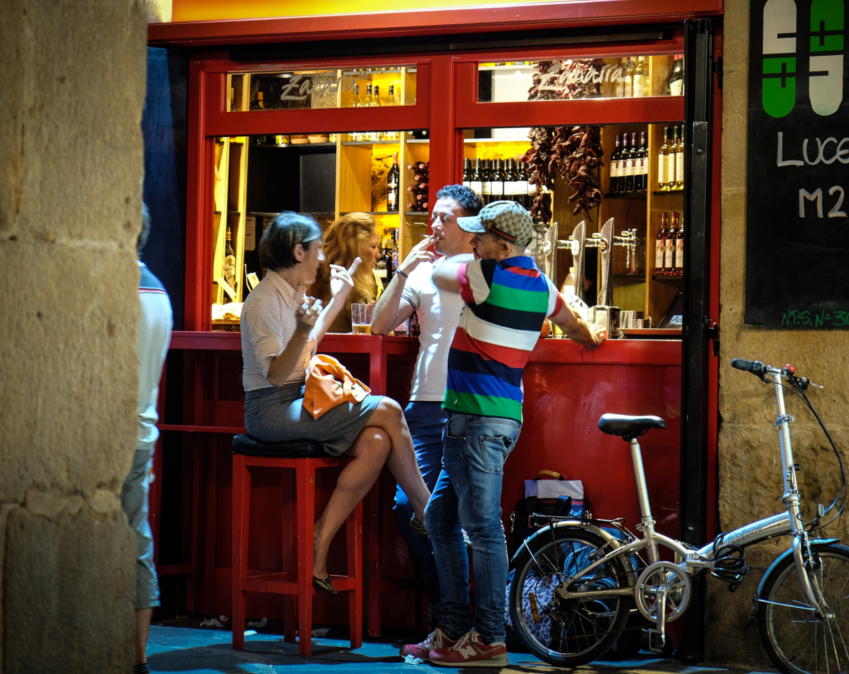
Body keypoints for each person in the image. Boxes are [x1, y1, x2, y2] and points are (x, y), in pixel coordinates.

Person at [424, 200, 603, 667]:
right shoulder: (544, 289)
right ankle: (454, 630)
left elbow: (440, 274)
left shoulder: (485, 275)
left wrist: (451, 255)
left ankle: (488, 639)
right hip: (496, 419)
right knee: (439, 519)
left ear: (502, 246)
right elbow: (577, 328)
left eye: (479, 237)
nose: (473, 242)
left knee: (482, 528)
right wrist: (594, 339)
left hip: (475, 421)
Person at [241, 212, 430, 593]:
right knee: (389, 410)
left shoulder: (292, 293)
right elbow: (276, 375)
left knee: (377, 443)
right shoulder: (263, 301)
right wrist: (305, 329)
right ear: (297, 251)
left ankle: (319, 540)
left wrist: (337, 299)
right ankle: (429, 512)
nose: (322, 258)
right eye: (315, 251)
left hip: (295, 400)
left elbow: (305, 347)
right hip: (270, 410)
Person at [370, 184, 484, 648]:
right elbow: (379, 324)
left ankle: (465, 621)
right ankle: (446, 609)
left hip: (473, 406)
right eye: (433, 217)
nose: (435, 225)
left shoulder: (487, 271)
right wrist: (401, 271)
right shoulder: (423, 273)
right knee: (407, 507)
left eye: (447, 218)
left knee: (468, 515)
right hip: (423, 406)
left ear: (472, 225)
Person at [131, 202, 172, 674]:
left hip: (114, 434)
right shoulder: (158, 290)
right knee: (137, 541)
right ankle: (137, 655)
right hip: (144, 429)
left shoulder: (119, 291)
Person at [308, 212, 382, 333]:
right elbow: (378, 335)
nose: (378, 255)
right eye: (373, 246)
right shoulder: (356, 292)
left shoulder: (311, 282)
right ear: (355, 251)